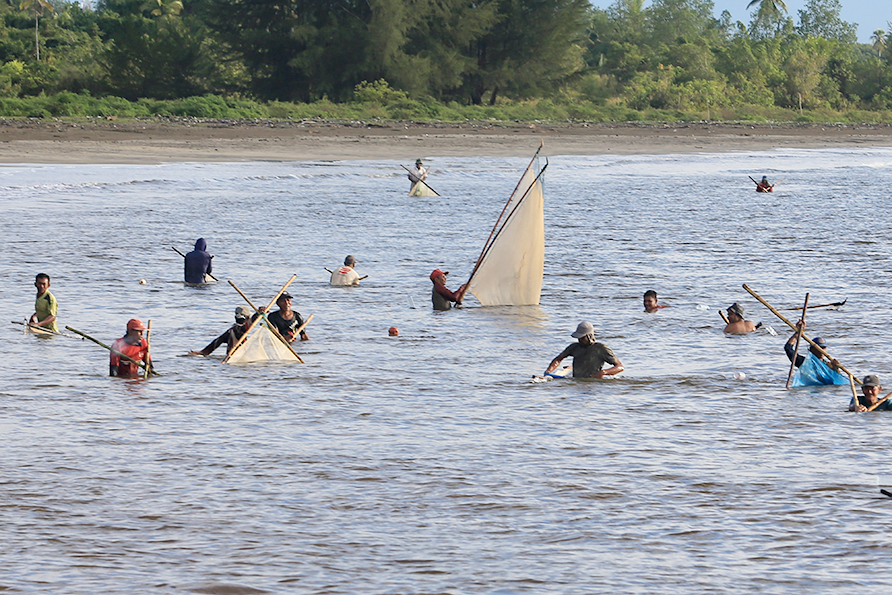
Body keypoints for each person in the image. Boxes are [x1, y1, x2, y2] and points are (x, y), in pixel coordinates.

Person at [544, 321, 624, 379]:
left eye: (582, 338)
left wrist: (603, 372)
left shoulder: (601, 349)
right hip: (576, 380)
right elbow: (558, 359)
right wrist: (548, 372)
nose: (580, 340)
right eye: (578, 338)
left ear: (590, 336)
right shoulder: (574, 347)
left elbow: (619, 367)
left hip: (593, 382)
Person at [784, 320, 847, 385]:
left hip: (826, 391)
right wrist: (797, 333)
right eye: (818, 348)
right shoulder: (804, 363)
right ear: (811, 350)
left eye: (823, 348)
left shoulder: (828, 365)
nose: (821, 351)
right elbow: (788, 348)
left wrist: (836, 368)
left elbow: (837, 382)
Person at [190, 306, 259, 356]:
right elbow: (247, 326)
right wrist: (257, 315)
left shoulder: (230, 331)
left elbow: (217, 342)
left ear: (235, 317)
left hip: (232, 356)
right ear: (248, 318)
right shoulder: (238, 329)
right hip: (238, 357)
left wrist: (203, 352)